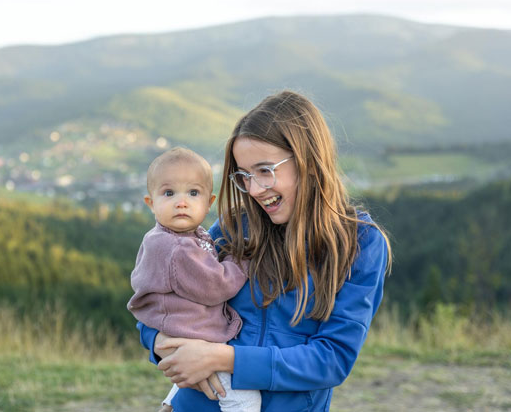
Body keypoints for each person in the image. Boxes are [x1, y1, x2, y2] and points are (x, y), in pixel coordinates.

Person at [137, 90, 392, 411]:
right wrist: (157, 341)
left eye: (265, 170)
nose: (255, 189)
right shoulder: (235, 228)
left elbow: (332, 359)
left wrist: (224, 358)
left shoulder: (361, 243)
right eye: (245, 175)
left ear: (308, 160)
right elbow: (163, 298)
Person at [127, 147, 262, 412]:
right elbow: (217, 286)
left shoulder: (175, 237)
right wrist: (240, 259)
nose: (182, 202)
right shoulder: (178, 248)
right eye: (169, 193)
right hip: (196, 337)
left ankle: (171, 403)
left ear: (208, 203)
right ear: (151, 202)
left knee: (196, 373)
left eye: (193, 193)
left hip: (184, 333)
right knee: (245, 399)